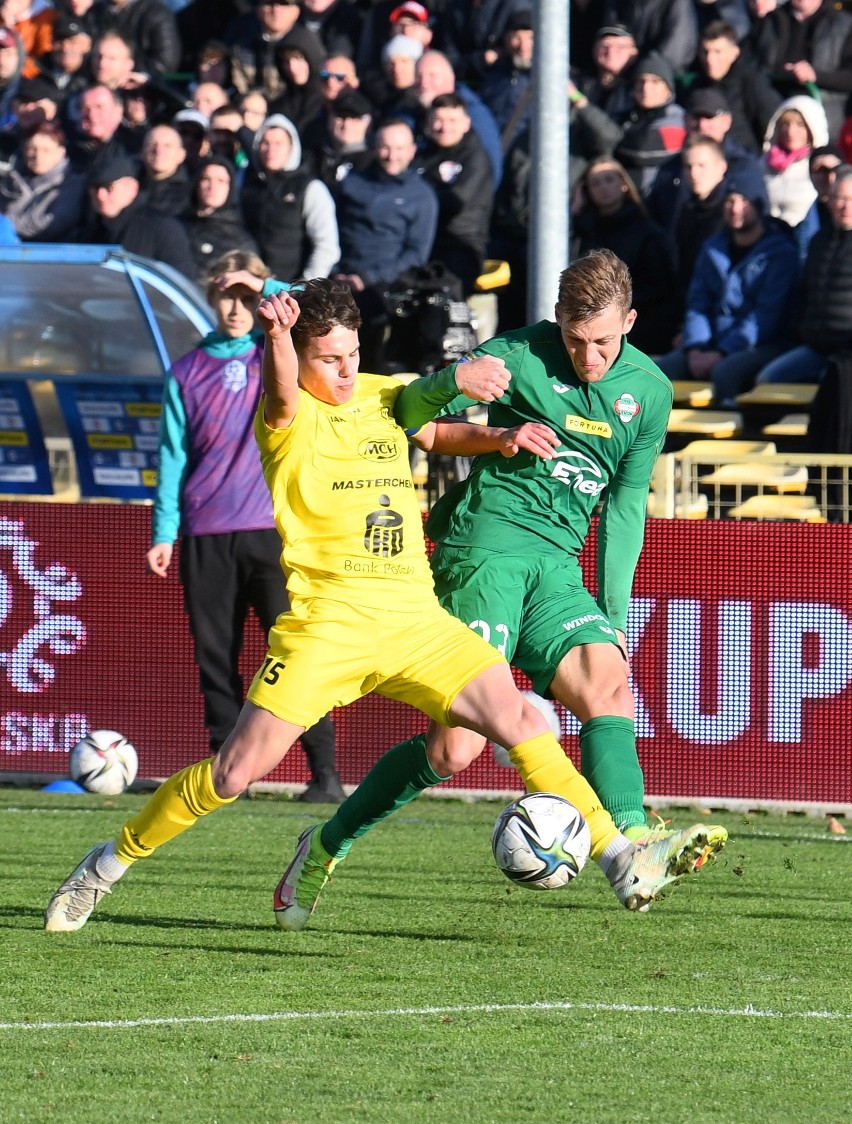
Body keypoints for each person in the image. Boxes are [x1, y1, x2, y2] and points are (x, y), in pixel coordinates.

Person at [43, 274, 727, 934]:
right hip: (327, 627)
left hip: (414, 619)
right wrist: (279, 339)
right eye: (328, 359)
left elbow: (431, 430)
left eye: (352, 356)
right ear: (300, 356)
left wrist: (499, 437)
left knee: (517, 717)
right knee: (235, 772)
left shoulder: (376, 395)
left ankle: (620, 856)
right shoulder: (286, 415)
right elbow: (286, 387)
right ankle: (104, 866)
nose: (344, 372)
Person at [270, 251, 728, 933]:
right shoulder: (515, 353)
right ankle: (327, 843)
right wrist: (459, 380)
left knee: (609, 680)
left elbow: (626, 507)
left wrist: (613, 614)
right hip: (481, 553)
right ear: (556, 323)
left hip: (555, 566)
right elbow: (413, 413)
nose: (590, 355)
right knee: (455, 750)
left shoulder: (650, 393)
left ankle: (634, 842)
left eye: (604, 341)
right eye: (575, 340)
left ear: (630, 322)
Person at [144, 250, 342, 796]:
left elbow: (315, 302)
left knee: (298, 653)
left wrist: (263, 284)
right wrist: (165, 531)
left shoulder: (277, 354)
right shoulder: (185, 370)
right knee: (216, 657)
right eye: (227, 296)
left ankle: (324, 772)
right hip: (206, 532)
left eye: (247, 298)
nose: (237, 308)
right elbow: (171, 455)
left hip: (274, 531)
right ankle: (227, 775)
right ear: (210, 300)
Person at [656, 169, 799, 404]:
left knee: (727, 372)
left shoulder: (780, 254)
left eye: (744, 201)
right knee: (658, 373)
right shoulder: (712, 248)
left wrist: (721, 352)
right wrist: (696, 347)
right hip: (709, 343)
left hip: (764, 344)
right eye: (730, 200)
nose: (735, 208)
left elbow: (766, 317)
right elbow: (698, 304)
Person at [755, 164, 852, 386]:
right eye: (839, 198)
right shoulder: (819, 241)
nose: (845, 206)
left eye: (850, 199)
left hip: (847, 353)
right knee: (767, 380)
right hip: (816, 348)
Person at [570, 156, 678, 354]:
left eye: (609, 180)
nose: (603, 187)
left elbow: (660, 286)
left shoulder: (647, 231)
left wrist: (614, 307)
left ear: (624, 184)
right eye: (595, 183)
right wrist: (574, 213)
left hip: (638, 323)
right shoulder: (583, 230)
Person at [240, 111, 340, 283]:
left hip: (290, 291)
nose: (271, 150)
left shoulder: (311, 188)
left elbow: (327, 247)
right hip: (248, 286)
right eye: (266, 143)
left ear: (292, 147)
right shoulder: (244, 182)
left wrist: (304, 288)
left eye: (279, 143)